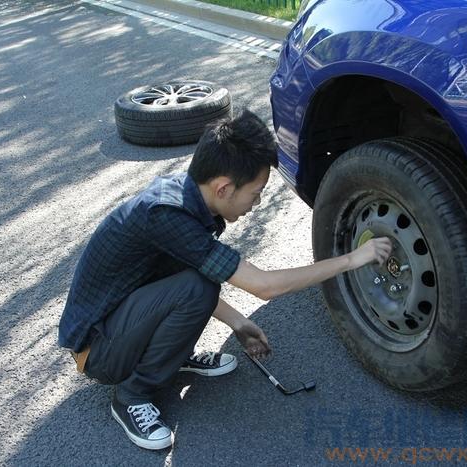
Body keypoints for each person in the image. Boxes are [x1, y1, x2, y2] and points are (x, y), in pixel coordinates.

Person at [58, 109, 392, 450]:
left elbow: (177, 277)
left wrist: (239, 323)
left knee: (198, 281)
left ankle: (169, 358)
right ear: (224, 188)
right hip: (98, 350)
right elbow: (265, 286)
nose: (257, 203)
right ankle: (131, 395)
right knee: (199, 286)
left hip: (121, 321)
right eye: (256, 192)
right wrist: (353, 258)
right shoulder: (166, 214)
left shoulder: (188, 197)